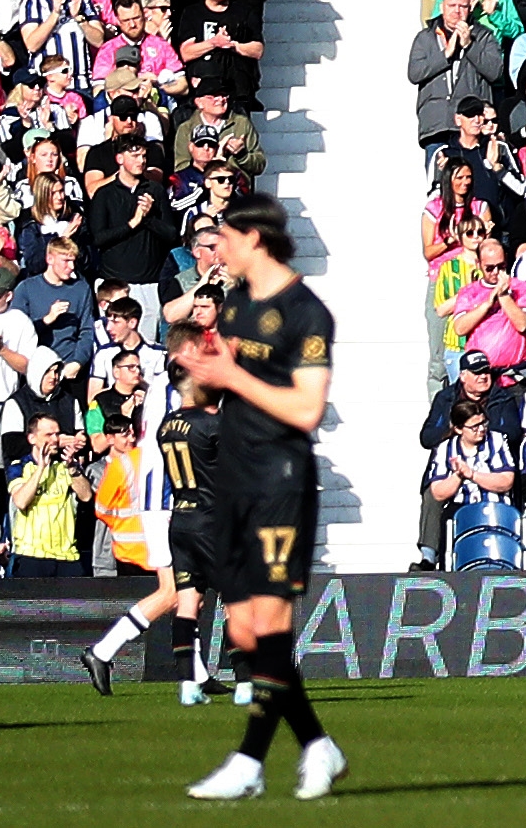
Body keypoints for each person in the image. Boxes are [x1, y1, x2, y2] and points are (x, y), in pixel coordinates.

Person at [175, 197, 345, 804]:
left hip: (279, 479)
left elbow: (306, 408)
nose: (215, 247)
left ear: (254, 238)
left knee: (269, 624)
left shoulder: (306, 313)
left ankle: (248, 762)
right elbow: (225, 373)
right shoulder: (239, 305)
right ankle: (318, 744)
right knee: (245, 629)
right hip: (236, 479)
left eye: (223, 235)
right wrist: (201, 364)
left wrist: (232, 378)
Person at [85, 380, 231, 704]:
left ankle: (198, 674)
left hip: (167, 501)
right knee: (172, 593)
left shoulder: (164, 390)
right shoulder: (178, 395)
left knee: (191, 595)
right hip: (166, 502)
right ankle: (102, 651)